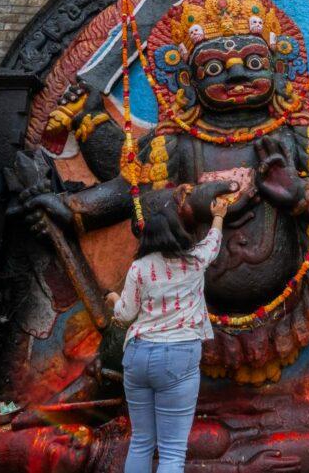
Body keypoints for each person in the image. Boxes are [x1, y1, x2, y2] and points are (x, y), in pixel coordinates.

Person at [106, 190, 232, 473]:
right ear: (178, 233)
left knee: (140, 442)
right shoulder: (194, 261)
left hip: (138, 355)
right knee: (172, 452)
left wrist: (113, 299)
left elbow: (125, 314)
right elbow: (213, 243)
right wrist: (218, 217)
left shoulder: (139, 268)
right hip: (178, 356)